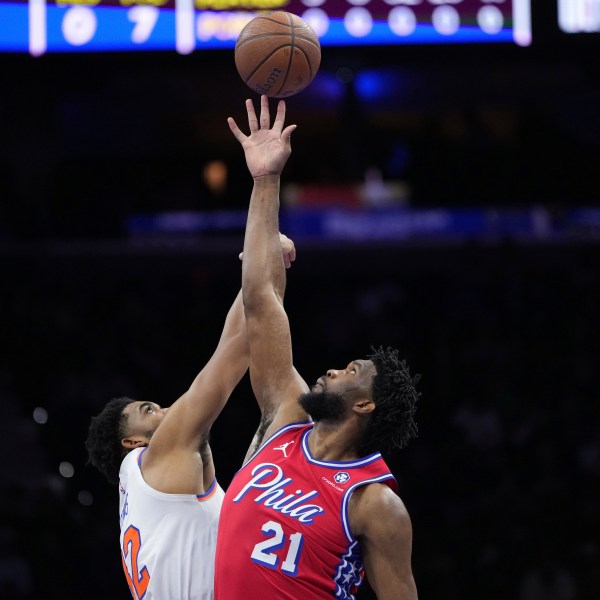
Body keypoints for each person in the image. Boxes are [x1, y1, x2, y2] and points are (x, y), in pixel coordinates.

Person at [214, 96, 421, 600]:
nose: (332, 370)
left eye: (352, 370)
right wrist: (265, 179)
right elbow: (260, 301)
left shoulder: (373, 503)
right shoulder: (285, 418)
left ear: (365, 404)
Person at [85, 236, 296, 600]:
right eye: (148, 411)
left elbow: (234, 338)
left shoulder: (145, 493)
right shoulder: (159, 455)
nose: (166, 409)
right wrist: (261, 268)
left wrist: (259, 269)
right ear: (132, 442)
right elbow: (236, 351)